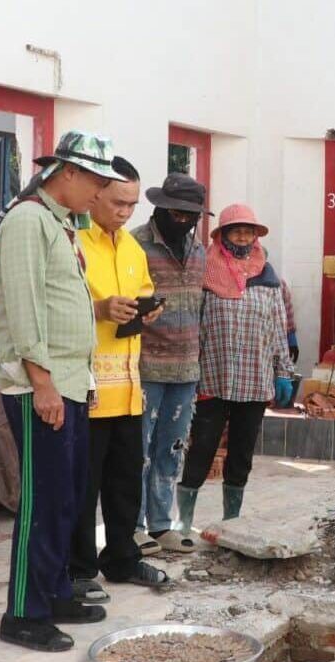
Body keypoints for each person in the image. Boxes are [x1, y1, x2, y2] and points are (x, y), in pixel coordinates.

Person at [0, 131, 130, 652]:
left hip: (68, 382)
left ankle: (54, 593)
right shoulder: (29, 221)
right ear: (65, 174)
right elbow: (26, 312)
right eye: (94, 182)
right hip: (39, 387)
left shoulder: (57, 223)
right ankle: (24, 613)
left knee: (67, 496)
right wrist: (42, 383)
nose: (97, 195)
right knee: (43, 501)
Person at [68, 159, 170, 604]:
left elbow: (144, 289)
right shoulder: (73, 243)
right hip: (87, 388)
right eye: (117, 202)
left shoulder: (131, 247)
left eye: (132, 203)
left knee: (126, 479)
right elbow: (60, 307)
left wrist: (149, 307)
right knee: (83, 485)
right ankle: (78, 568)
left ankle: (122, 557)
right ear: (95, 195)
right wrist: (100, 308)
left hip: (129, 385)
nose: (126, 211)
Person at [176, 204, 297, 530]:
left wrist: (283, 372)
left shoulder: (270, 278)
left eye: (249, 231)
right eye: (236, 230)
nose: (243, 236)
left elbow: (278, 327)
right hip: (213, 381)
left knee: (241, 456)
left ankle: (231, 522)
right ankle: (184, 522)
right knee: (200, 449)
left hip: (255, 382)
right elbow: (193, 324)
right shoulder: (206, 273)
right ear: (223, 235)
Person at [133, 173, 210, 556]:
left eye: (191, 215)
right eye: (177, 214)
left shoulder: (198, 250)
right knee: (138, 451)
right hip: (144, 368)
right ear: (161, 208)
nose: (183, 221)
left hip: (185, 371)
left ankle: (162, 524)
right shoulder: (135, 245)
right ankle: (132, 526)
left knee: (172, 449)